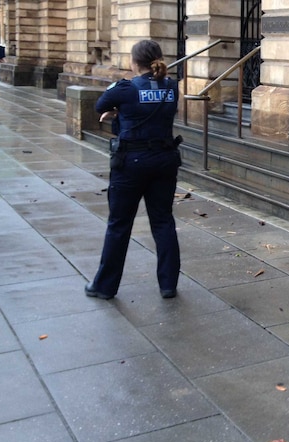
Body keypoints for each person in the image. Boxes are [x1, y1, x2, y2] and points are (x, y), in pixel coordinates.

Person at [85, 39, 181, 300]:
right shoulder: (172, 88)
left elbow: (100, 105)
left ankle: (104, 286)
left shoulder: (124, 88)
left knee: (119, 223)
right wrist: (124, 112)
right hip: (164, 159)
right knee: (163, 221)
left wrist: (119, 111)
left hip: (132, 163)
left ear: (134, 62)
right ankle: (168, 285)